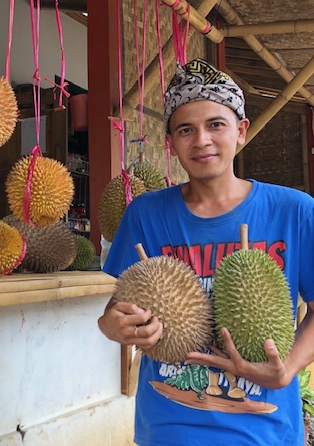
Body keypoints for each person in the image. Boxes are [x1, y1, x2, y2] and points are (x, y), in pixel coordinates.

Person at [97, 58, 314, 445]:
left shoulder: (295, 211)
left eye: (215, 124)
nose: (201, 140)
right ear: (171, 141)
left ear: (241, 130)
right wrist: (112, 326)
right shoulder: (145, 214)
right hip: (167, 430)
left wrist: (288, 369)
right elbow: (117, 309)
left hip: (265, 432)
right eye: (186, 129)